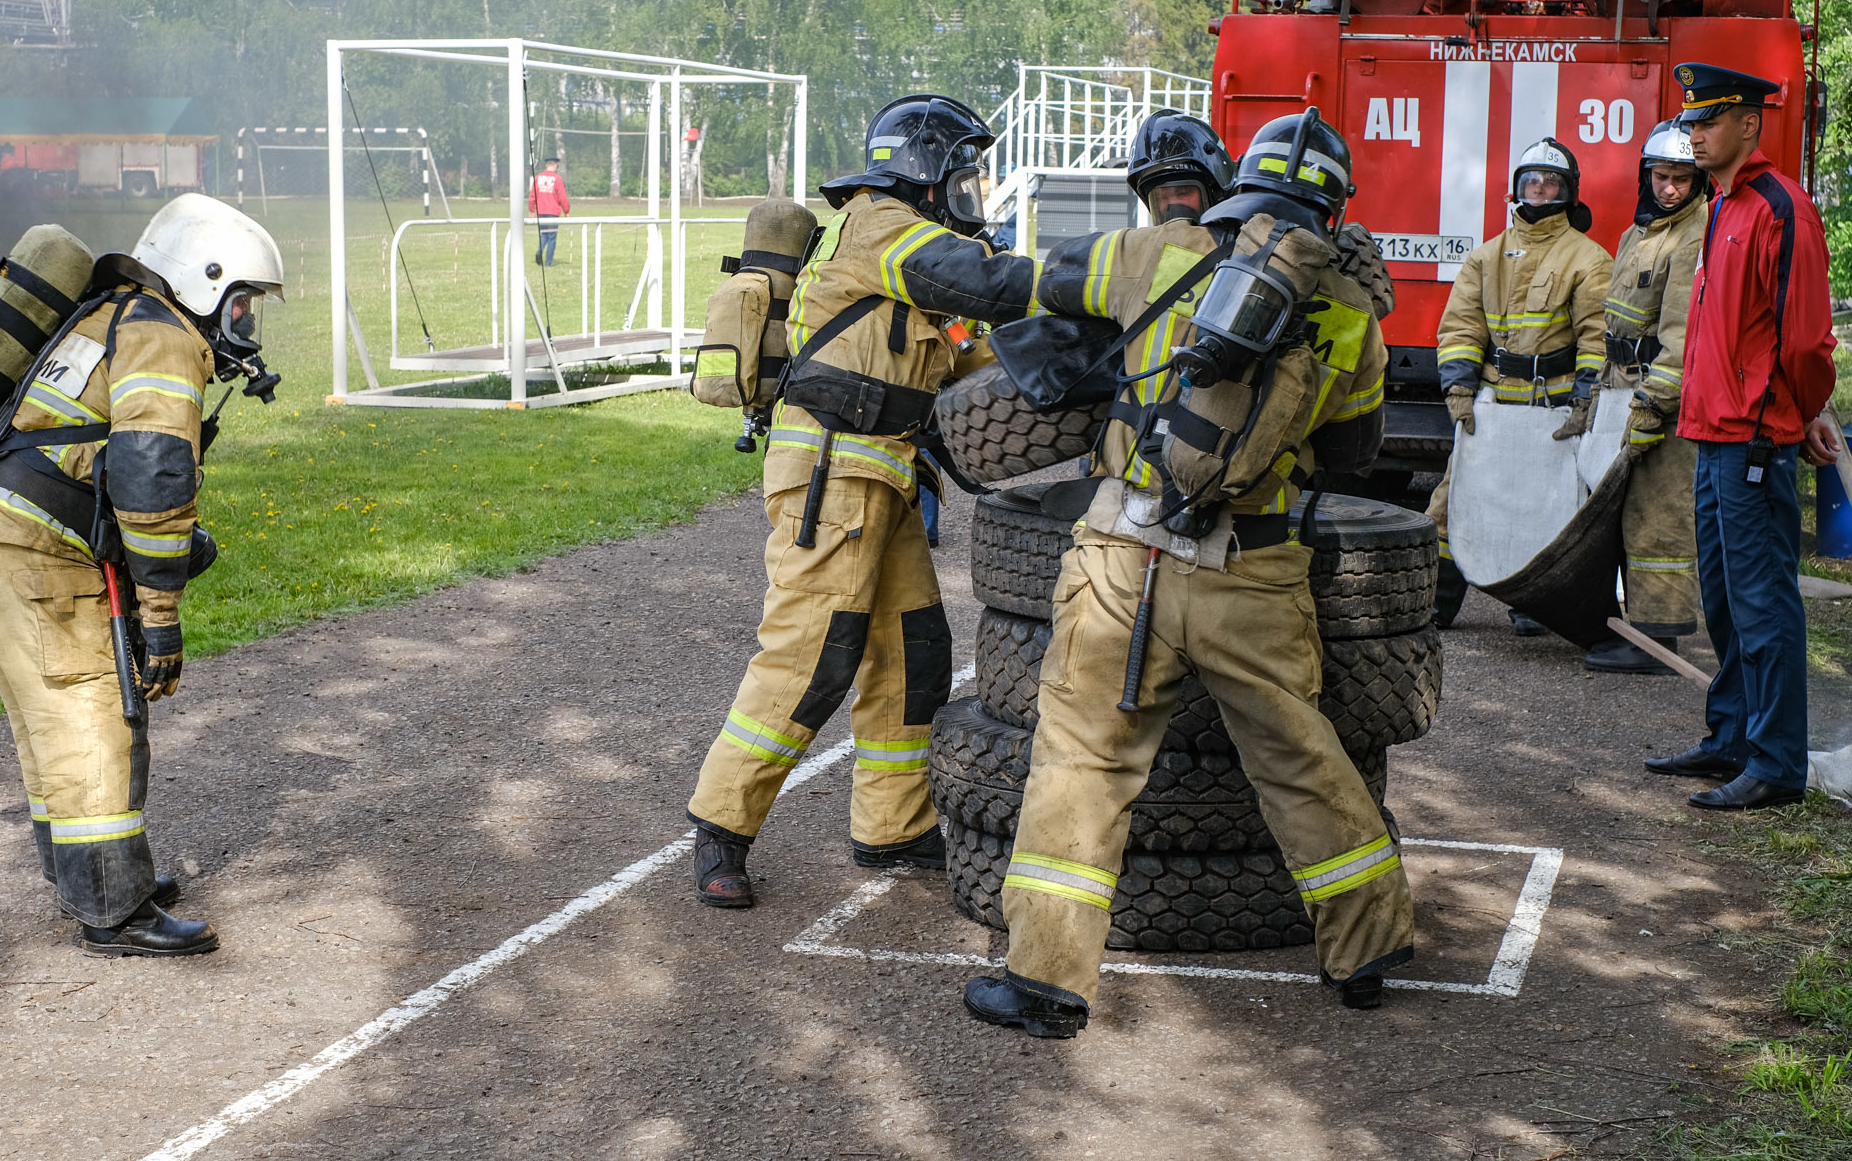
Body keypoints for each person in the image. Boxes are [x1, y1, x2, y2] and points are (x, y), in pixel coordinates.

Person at [962, 109, 1411, 1038]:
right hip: (1255, 566)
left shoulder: (1151, 253)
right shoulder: (1349, 313)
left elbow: (1036, 286)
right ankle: (1367, 948)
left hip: (1124, 559)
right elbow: (1356, 451)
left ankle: (1045, 978)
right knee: (1300, 755)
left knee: (1084, 759)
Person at [686, 94, 1038, 907]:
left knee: (911, 654)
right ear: (921, 169)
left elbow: (957, 364)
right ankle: (721, 827)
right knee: (813, 654)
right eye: (962, 175)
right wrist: (1081, 282)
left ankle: (892, 825)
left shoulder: (909, 257)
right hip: (831, 476)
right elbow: (981, 281)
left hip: (883, 475)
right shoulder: (882, 224)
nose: (971, 193)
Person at [0, 193, 284, 955]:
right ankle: (114, 910)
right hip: (32, 551)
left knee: (53, 722)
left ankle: (93, 876)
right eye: (241, 307)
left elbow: (100, 467)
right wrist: (161, 617)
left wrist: (175, 551)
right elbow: (153, 477)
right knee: (96, 716)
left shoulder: (112, 317)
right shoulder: (162, 335)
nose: (245, 328)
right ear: (203, 281)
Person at [1644, 63, 1836, 811]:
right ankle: (1731, 737)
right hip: (1711, 431)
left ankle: (1778, 763)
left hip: (1753, 440)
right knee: (1724, 600)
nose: (1694, 133)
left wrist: (1802, 411)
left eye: (1709, 121)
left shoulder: (1779, 207)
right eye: (1690, 122)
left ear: (1750, 124)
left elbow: (1805, 342)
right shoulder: (1722, 204)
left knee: (1763, 604)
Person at [1430, 137, 1612, 631]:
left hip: (1552, 409)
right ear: (1517, 190)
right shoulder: (1485, 257)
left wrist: (1584, 401)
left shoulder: (1589, 259)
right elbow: (1461, 328)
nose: (1538, 189)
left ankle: (1537, 609)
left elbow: (1598, 339)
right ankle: (1437, 604)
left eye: (1549, 182)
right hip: (1491, 404)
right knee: (1451, 502)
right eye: (1530, 181)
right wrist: (1460, 390)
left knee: (1549, 510)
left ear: (1568, 192)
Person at [1582, 118, 1708, 673]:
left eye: (1683, 178)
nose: (1670, 188)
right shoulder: (1640, 232)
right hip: (1620, 384)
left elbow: (1684, 332)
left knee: (1659, 515)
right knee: (1618, 510)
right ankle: (1623, 621)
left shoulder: (1694, 235)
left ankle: (1656, 639)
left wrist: (1656, 403)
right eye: (1661, 176)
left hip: (1661, 397)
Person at [1124, 107, 1235, 224]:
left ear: (1216, 193)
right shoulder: (1148, 241)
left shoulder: (1247, 238)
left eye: (1182, 192)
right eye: (1160, 197)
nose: (1172, 207)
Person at [529, 156, 571, 266]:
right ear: (556, 165)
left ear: (546, 165)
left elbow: (532, 195)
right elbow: (562, 197)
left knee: (543, 234)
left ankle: (539, 251)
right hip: (552, 212)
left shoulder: (537, 178)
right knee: (552, 237)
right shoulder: (557, 179)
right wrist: (566, 210)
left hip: (541, 211)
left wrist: (532, 209)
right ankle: (548, 262)